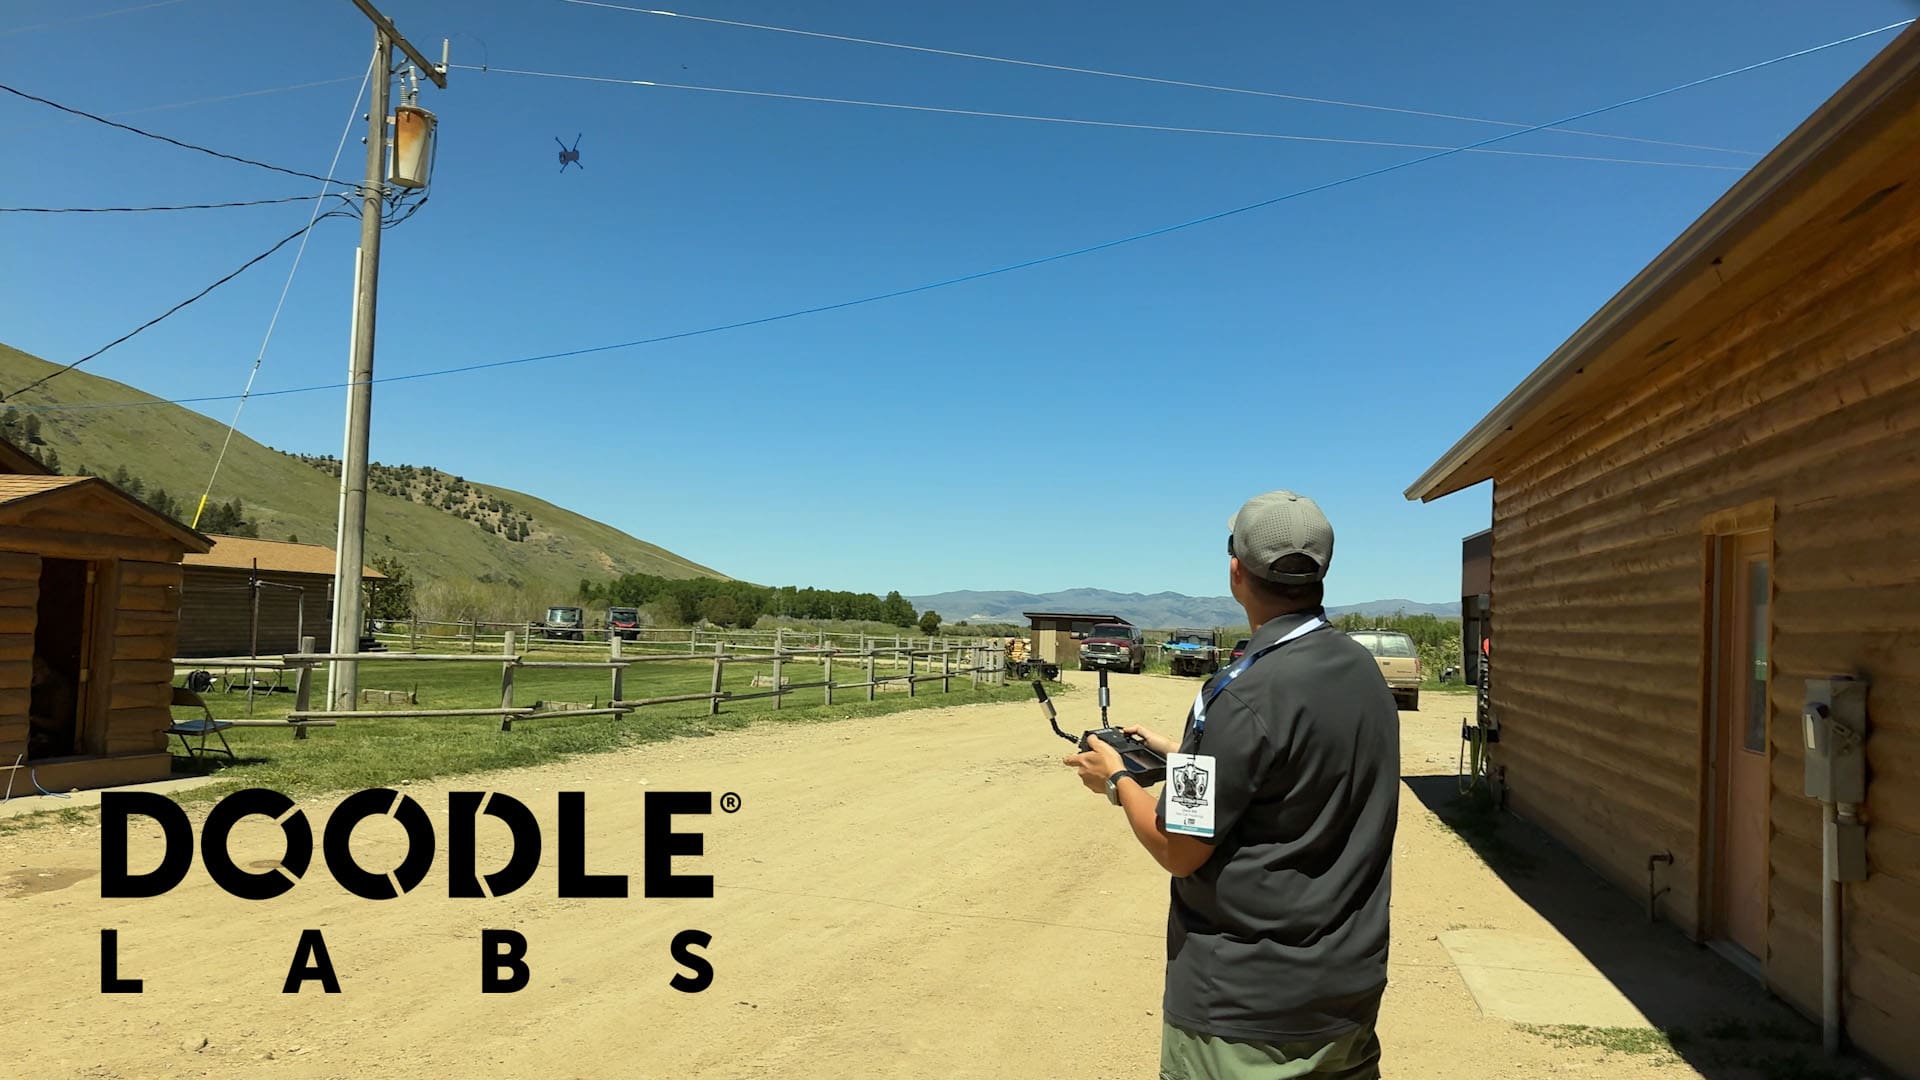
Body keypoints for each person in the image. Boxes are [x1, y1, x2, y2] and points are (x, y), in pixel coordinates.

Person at [1064, 490, 1400, 1079]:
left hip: (1244, 1016)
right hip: (1345, 997)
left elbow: (1180, 847)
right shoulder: (1359, 670)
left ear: (1236, 569)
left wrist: (1117, 778)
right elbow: (1298, 769)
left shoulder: (1238, 693)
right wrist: (1180, 754)